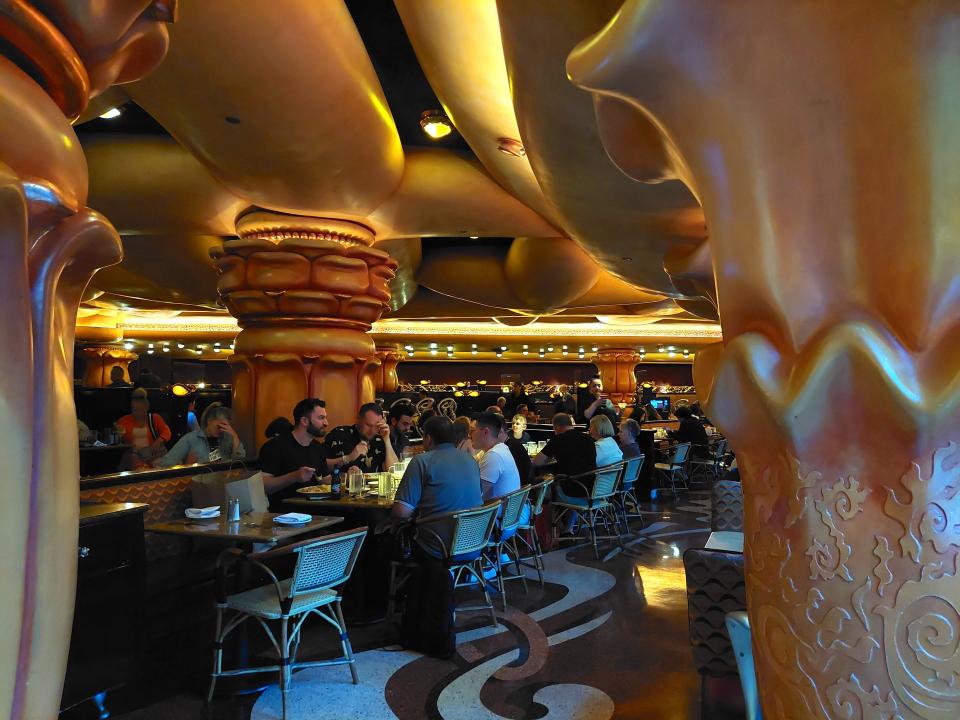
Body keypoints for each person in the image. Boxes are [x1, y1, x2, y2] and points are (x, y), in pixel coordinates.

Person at [391, 416, 483, 548]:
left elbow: (401, 512)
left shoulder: (421, 461)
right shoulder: (472, 460)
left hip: (436, 544)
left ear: (428, 438)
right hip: (474, 541)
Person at [259, 398, 330, 509]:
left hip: (317, 508)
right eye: (321, 418)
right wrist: (294, 476)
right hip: (285, 513)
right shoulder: (275, 446)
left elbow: (326, 480)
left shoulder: (317, 447)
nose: (326, 423)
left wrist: (348, 478)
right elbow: (263, 485)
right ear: (304, 421)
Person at [157, 402, 245, 466]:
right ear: (209, 421)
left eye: (224, 427)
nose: (221, 430)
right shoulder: (191, 439)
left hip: (222, 482)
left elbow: (240, 463)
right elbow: (165, 464)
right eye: (219, 426)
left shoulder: (227, 438)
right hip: (199, 483)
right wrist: (185, 465)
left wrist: (235, 436)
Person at [325, 402, 399, 474]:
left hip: (373, 485)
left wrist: (387, 440)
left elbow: (394, 471)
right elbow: (322, 466)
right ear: (358, 419)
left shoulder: (380, 439)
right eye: (368, 425)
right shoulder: (339, 434)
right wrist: (348, 458)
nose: (372, 430)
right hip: (341, 485)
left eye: (376, 426)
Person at [116, 388, 171, 469]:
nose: (138, 413)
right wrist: (118, 435)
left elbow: (167, 432)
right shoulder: (124, 420)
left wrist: (158, 442)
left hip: (153, 454)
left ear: (146, 408)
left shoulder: (155, 418)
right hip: (134, 456)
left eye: (141, 410)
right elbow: (120, 440)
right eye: (135, 410)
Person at [471, 411, 520, 502]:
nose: (469, 435)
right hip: (503, 512)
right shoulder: (499, 448)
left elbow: (474, 495)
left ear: (485, 432)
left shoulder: (494, 456)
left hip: (498, 515)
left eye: (472, 430)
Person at [533, 412, 596, 480]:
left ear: (556, 427)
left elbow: (536, 463)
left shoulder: (558, 439)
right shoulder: (588, 438)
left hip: (570, 483)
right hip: (591, 483)